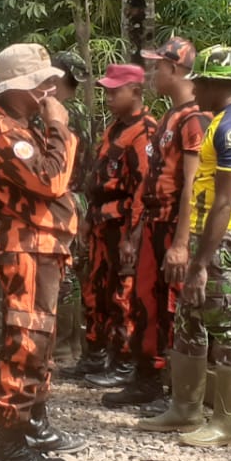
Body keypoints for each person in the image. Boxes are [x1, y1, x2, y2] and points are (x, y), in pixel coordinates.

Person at [139, 46, 231, 448]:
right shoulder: (223, 120)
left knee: (228, 328)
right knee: (188, 321)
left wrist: (201, 263)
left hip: (225, 240)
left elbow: (225, 202)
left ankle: (227, 424)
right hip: (204, 236)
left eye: (200, 84)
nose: (195, 91)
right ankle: (185, 407)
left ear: (214, 84)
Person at [0, 43, 86, 461]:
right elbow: (52, 178)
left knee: (39, 342)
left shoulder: (21, 124)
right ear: (16, 89)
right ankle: (10, 442)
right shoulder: (4, 130)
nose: (49, 92)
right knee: (26, 343)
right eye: (40, 85)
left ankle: (32, 429)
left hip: (42, 249)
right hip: (27, 249)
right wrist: (61, 128)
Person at [105, 37, 210, 408]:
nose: (153, 73)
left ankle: (172, 389)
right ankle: (146, 377)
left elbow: (192, 185)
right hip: (153, 221)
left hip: (173, 224)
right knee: (144, 301)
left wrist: (181, 243)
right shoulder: (171, 116)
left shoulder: (194, 119)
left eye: (158, 66)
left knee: (171, 304)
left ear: (176, 69)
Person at [77, 64, 157, 390]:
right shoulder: (115, 129)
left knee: (124, 294)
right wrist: (86, 219)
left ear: (136, 92)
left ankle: (124, 362)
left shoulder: (145, 133)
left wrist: (133, 236)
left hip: (124, 225)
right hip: (101, 223)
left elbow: (143, 190)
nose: (108, 97)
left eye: (114, 91)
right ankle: (96, 354)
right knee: (96, 290)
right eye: (106, 91)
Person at [50, 52, 93, 364]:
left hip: (62, 198)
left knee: (63, 273)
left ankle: (65, 347)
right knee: (73, 273)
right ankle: (72, 345)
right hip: (78, 199)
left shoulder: (60, 112)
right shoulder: (84, 112)